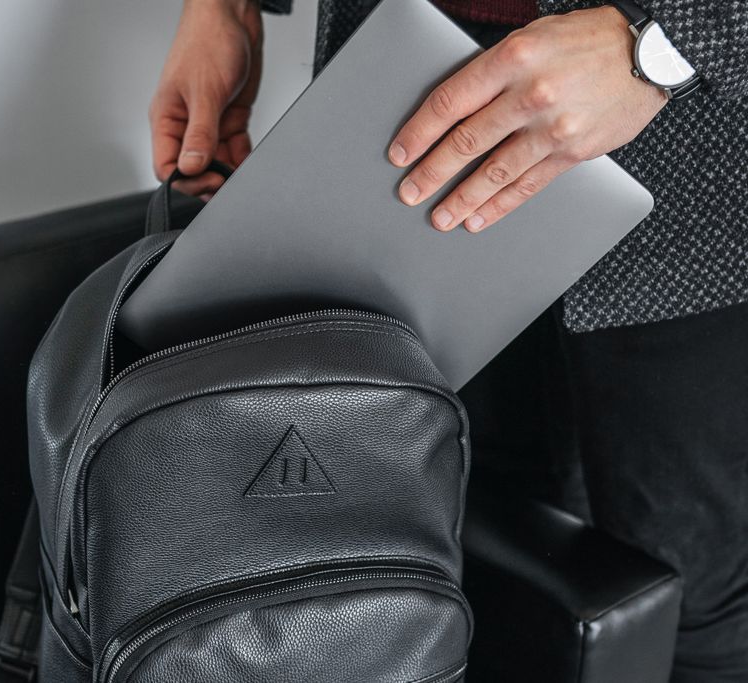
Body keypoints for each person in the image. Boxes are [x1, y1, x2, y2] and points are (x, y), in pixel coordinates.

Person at [148, 0, 748, 680]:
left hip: (687, 145)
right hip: (410, 92)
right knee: (461, 547)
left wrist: (655, 48)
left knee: (699, 596)